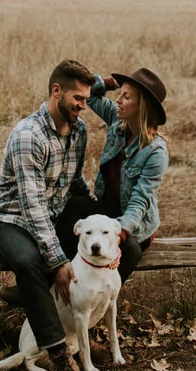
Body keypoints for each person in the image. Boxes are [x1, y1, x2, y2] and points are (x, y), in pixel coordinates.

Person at [0, 59, 97, 371]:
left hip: (53, 211)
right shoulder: (28, 136)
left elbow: (73, 180)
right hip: (13, 220)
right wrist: (59, 262)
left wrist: (99, 209)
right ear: (56, 91)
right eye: (78, 98)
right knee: (29, 261)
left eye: (87, 99)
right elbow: (32, 206)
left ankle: (76, 320)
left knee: (102, 234)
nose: (83, 106)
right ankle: (62, 364)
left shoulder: (78, 130)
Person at [55, 67, 169, 286]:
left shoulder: (156, 152)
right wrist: (107, 82)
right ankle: (59, 277)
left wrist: (119, 234)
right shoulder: (118, 123)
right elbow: (93, 96)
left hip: (132, 224)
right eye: (120, 94)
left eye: (126, 97)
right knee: (75, 206)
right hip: (107, 210)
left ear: (142, 106)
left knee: (131, 250)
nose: (118, 100)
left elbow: (140, 201)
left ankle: (99, 296)